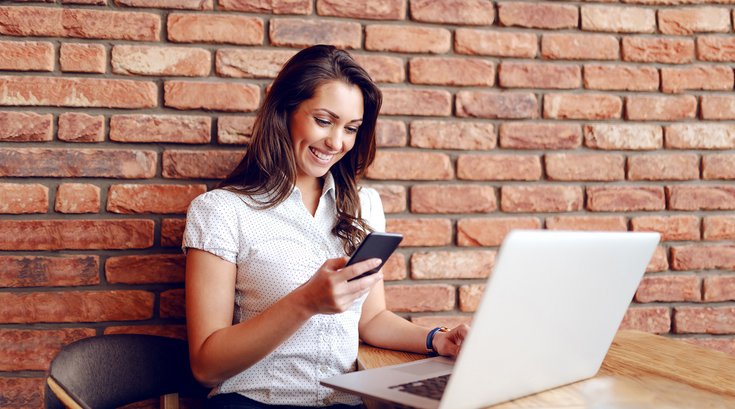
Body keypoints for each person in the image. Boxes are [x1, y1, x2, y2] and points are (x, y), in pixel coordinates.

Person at [183, 44, 469, 409]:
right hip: (253, 401)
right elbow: (206, 367)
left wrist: (436, 339)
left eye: (351, 128)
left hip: (346, 402)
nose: (336, 142)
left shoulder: (364, 205)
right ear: (284, 111)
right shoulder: (222, 211)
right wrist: (306, 302)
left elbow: (372, 319)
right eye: (323, 121)